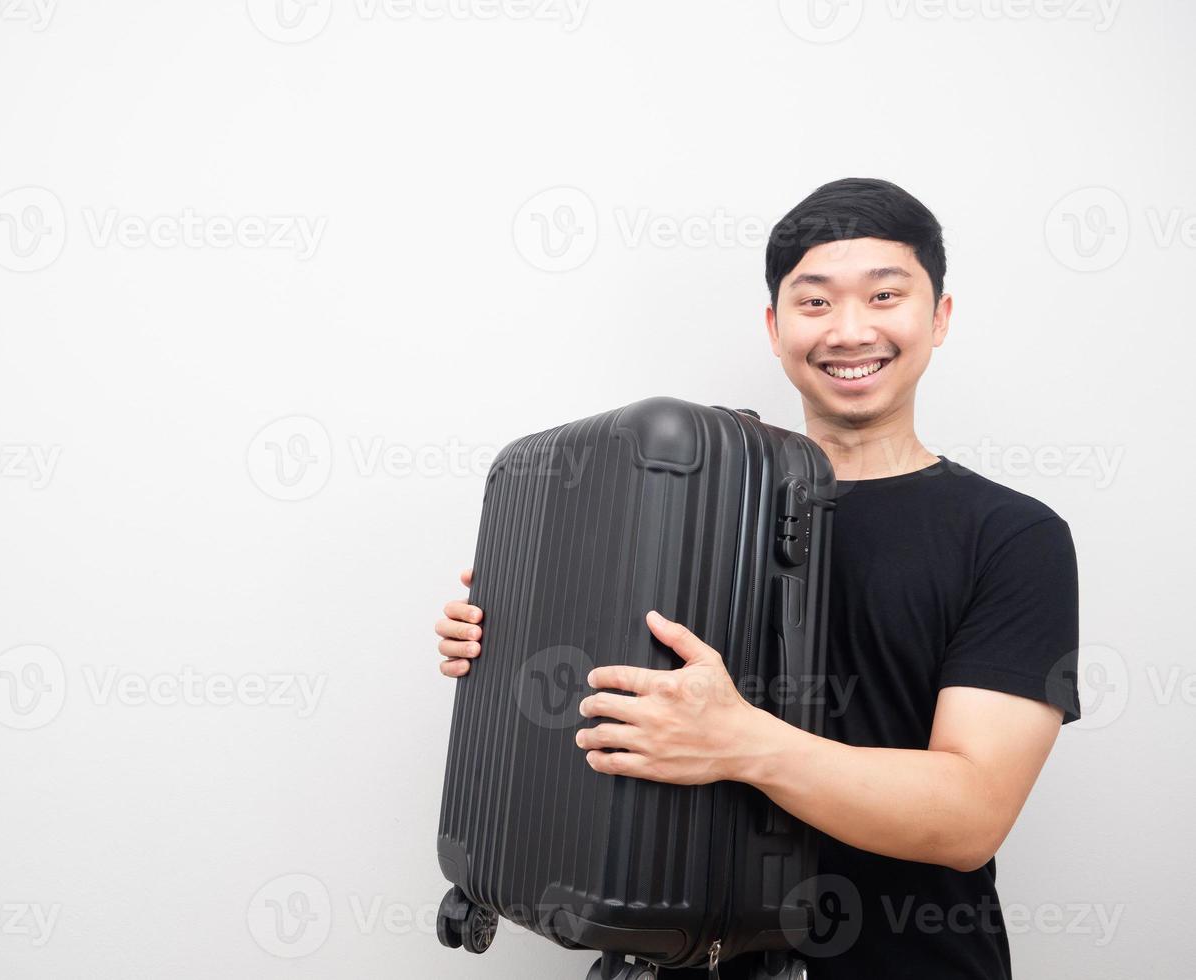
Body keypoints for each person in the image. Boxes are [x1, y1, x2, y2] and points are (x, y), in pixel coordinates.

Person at [433, 177, 1081, 979]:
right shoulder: (686, 500)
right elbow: (614, 707)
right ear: (775, 329)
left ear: (938, 316)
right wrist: (510, 637)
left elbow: (968, 815)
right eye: (814, 303)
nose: (850, 330)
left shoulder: (1011, 536)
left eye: (884, 294)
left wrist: (740, 743)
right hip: (678, 952)